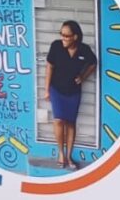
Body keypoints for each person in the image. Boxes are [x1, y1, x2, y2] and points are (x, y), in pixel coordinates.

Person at [43, 19, 97, 170]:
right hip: (57, 89)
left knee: (70, 123)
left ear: (75, 37)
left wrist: (83, 77)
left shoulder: (84, 49)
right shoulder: (56, 46)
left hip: (73, 91)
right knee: (59, 120)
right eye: (61, 34)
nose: (63, 38)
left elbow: (93, 63)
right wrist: (46, 90)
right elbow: (49, 67)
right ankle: (61, 153)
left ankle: (69, 156)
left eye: (67, 36)